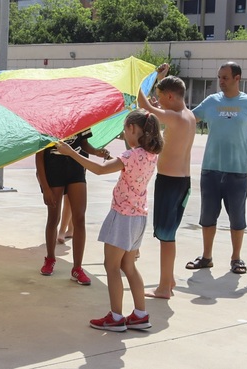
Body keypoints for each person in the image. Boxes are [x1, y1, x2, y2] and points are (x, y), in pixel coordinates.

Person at [57, 109, 163, 331]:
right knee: (129, 266)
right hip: (139, 217)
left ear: (133, 129)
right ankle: (140, 314)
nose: (124, 135)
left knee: (111, 266)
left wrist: (71, 152)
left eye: (125, 130)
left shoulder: (131, 155)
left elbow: (99, 169)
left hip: (122, 216)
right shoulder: (151, 155)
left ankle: (115, 317)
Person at [185, 61, 247, 274]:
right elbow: (187, 119)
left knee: (237, 218)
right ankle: (206, 256)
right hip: (210, 169)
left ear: (237, 78)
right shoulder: (211, 101)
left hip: (237, 171)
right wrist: (166, 107)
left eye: (225, 77)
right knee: (208, 216)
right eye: (219, 77)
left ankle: (236, 258)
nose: (221, 81)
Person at [137, 64, 196, 299]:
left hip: (170, 183)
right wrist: (160, 78)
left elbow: (145, 105)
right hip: (182, 182)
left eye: (162, 99)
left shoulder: (174, 117)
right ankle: (169, 279)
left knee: (166, 236)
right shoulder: (188, 115)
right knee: (167, 233)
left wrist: (140, 83)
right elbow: (154, 104)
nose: (159, 103)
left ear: (170, 96)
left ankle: (163, 288)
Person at [35, 129, 110, 285]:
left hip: (76, 170)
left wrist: (96, 151)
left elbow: (83, 144)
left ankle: (77, 268)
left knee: (80, 218)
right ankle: (50, 258)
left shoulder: (79, 115)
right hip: (53, 171)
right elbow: (39, 156)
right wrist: (45, 187)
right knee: (54, 218)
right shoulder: (47, 120)